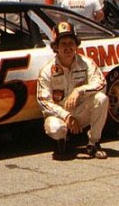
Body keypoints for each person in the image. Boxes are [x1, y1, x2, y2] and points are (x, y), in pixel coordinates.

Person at [37, 22, 109, 160]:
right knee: (56, 128)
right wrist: (65, 116)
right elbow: (43, 100)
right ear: (56, 47)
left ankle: (93, 143)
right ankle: (62, 139)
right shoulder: (47, 70)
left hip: (81, 112)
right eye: (63, 43)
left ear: (76, 45)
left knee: (101, 99)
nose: (68, 47)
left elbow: (101, 83)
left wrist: (79, 90)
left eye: (71, 42)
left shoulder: (86, 63)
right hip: (59, 115)